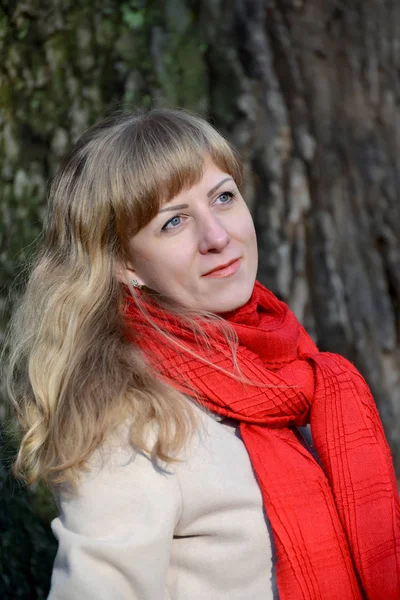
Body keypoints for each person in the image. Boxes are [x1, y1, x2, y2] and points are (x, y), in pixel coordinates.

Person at [5, 108, 400, 600]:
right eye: (174, 222)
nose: (218, 237)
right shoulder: (129, 420)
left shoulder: (292, 372)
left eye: (223, 197)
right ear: (125, 265)